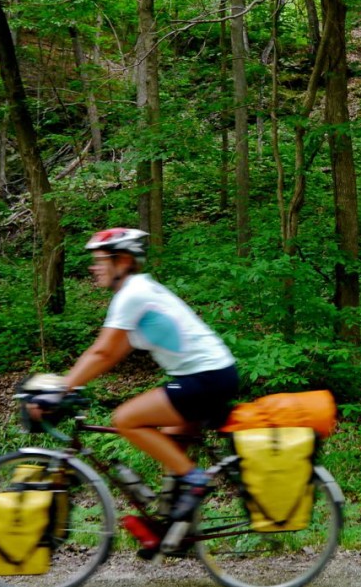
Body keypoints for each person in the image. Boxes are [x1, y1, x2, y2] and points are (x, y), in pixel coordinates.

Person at [29, 228, 238, 546]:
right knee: (172, 441)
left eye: (100, 260)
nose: (93, 267)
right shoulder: (138, 292)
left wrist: (62, 390)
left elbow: (101, 352)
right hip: (209, 374)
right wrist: (70, 384)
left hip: (204, 378)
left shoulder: (133, 294)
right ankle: (174, 530)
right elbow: (110, 354)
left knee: (126, 418)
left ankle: (196, 481)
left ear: (123, 261)